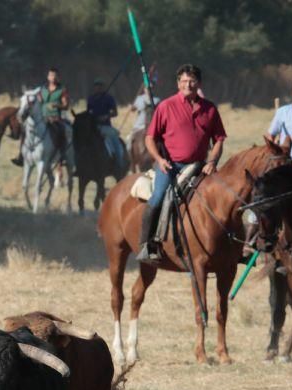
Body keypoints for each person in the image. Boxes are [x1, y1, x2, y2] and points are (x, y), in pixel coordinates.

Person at [139, 64, 227, 263]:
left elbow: (219, 140)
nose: (188, 85)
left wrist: (212, 161)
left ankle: (234, 245)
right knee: (158, 198)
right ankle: (147, 245)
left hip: (200, 166)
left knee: (224, 196)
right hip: (171, 166)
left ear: (199, 83)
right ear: (178, 83)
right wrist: (160, 160)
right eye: (184, 81)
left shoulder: (210, 109)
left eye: (192, 81)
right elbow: (150, 138)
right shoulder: (166, 106)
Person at [87, 78, 126, 172]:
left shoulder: (108, 98)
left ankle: (119, 163)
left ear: (103, 87)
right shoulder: (90, 99)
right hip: (93, 126)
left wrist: (106, 116)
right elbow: (88, 112)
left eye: (100, 86)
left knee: (115, 140)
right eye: (96, 86)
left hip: (106, 126)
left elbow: (115, 112)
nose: (98, 88)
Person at [41, 67, 71, 161]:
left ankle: (62, 155)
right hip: (42, 118)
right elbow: (39, 102)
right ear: (48, 77)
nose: (53, 77)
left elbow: (66, 106)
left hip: (55, 118)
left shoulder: (62, 90)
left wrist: (57, 105)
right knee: (27, 130)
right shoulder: (43, 89)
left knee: (60, 132)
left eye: (55, 75)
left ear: (58, 77)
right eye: (51, 75)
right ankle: (21, 156)